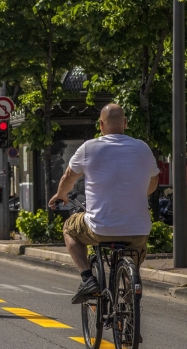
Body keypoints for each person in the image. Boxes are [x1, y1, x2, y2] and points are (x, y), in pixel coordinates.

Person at [49, 104, 159, 304]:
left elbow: (68, 177)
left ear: (101, 125)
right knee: (132, 263)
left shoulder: (89, 148)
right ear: (125, 123)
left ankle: (87, 278)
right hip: (137, 230)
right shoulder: (142, 148)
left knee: (69, 228)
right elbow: (153, 182)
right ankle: (128, 317)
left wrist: (61, 195)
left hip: (100, 228)